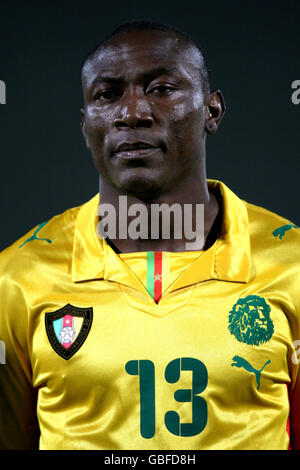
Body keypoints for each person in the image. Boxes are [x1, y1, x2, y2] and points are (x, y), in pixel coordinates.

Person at [0, 19, 299, 451]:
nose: (133, 113)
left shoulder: (293, 264)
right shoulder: (17, 278)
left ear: (212, 111)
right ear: (86, 127)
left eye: (161, 89)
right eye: (108, 94)